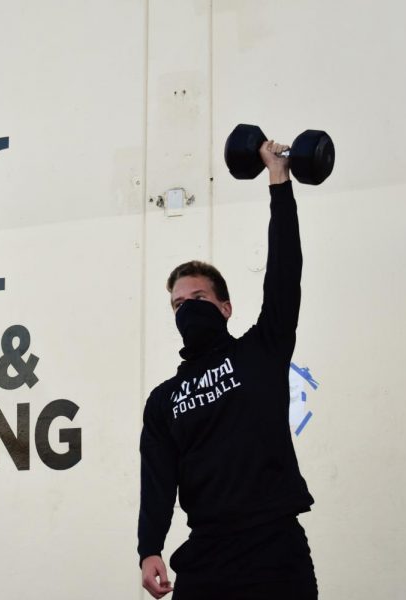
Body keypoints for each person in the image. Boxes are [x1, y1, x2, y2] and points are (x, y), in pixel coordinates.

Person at [138, 141, 318, 599]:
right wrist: (149, 548)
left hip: (274, 549)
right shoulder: (164, 399)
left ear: (225, 306)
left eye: (196, 299)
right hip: (207, 559)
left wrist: (279, 180)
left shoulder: (261, 349)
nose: (186, 309)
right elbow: (158, 476)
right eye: (177, 304)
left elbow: (284, 270)